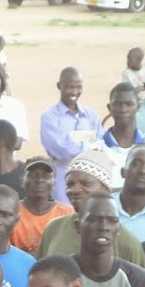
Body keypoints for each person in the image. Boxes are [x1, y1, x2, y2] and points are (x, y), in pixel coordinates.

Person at [40, 68, 101, 203]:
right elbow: (62, 150)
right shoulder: (49, 117)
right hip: (62, 179)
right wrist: (88, 144)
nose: (74, 92)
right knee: (65, 213)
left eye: (78, 87)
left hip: (90, 178)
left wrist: (72, 141)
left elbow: (101, 146)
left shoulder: (92, 116)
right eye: (69, 87)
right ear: (59, 86)